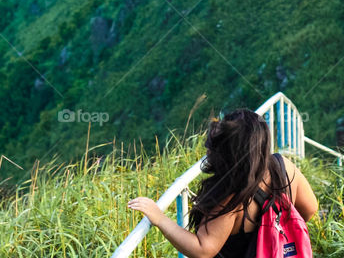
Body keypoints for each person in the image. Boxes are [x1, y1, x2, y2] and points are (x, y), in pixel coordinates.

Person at [128, 109, 319, 258]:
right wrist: (275, 231)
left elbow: (202, 249)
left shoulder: (231, 198)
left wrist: (159, 218)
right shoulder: (284, 167)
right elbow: (310, 208)